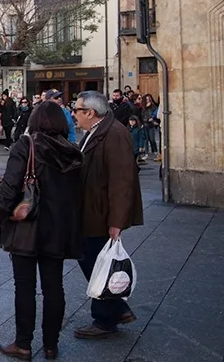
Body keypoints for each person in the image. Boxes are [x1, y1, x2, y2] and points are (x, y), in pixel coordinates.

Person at [0, 101, 84, 361]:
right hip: (58, 230)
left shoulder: (25, 146)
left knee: (24, 287)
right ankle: (51, 345)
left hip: (27, 227)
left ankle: (23, 344)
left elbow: (8, 189)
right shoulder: (72, 150)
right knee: (54, 287)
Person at [72, 90, 144, 339]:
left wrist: (117, 222)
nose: (74, 114)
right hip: (92, 210)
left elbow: (122, 181)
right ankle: (118, 308)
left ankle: (104, 319)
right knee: (92, 259)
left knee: (96, 263)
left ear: (90, 113)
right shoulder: (97, 131)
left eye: (77, 110)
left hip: (101, 214)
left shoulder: (114, 134)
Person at [142, 94, 161, 161]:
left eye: (149, 98)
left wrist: (153, 120)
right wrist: (146, 120)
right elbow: (142, 115)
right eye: (146, 99)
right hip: (145, 125)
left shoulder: (153, 106)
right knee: (145, 140)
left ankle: (155, 151)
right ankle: (146, 153)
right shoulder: (143, 107)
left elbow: (156, 114)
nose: (148, 100)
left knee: (152, 139)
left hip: (151, 125)